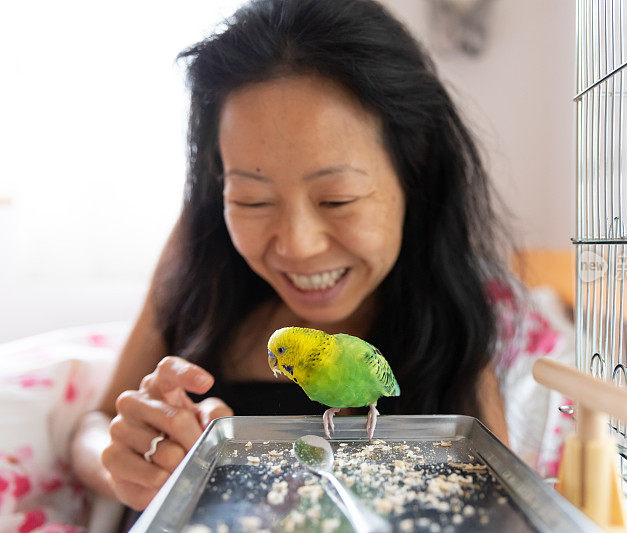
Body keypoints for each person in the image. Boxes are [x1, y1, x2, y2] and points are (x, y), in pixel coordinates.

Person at [69, 0, 527, 521]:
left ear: (414, 172)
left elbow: (500, 499)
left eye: (337, 199)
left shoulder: (452, 312)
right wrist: (127, 461)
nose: (297, 246)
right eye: (252, 201)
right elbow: (94, 424)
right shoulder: (200, 252)